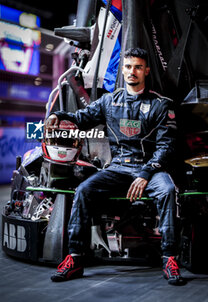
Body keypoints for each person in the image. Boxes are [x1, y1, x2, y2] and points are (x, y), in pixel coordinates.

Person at [46, 47, 184, 285]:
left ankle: (170, 259)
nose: (133, 71)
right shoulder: (109, 101)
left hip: (151, 169)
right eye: (129, 66)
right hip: (118, 168)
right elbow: (81, 118)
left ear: (146, 71)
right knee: (83, 191)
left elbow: (166, 148)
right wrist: (58, 115)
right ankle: (75, 258)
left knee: (168, 191)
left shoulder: (161, 105)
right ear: (123, 69)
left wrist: (145, 174)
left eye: (138, 67)